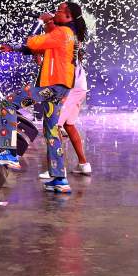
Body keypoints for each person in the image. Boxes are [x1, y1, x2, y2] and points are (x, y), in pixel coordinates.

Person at [0, 0, 88, 193]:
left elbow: (34, 41)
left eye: (58, 11)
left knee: (8, 103)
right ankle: (59, 179)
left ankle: (9, 152)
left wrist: (43, 22)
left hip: (53, 86)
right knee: (51, 131)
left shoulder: (62, 33)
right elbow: (38, 48)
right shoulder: (67, 35)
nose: (55, 12)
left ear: (68, 16)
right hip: (60, 88)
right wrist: (13, 48)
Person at [41, 44, 92, 179]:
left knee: (53, 126)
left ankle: (57, 168)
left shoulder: (63, 49)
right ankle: (83, 164)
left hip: (71, 90)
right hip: (80, 88)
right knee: (69, 125)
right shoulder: (71, 48)